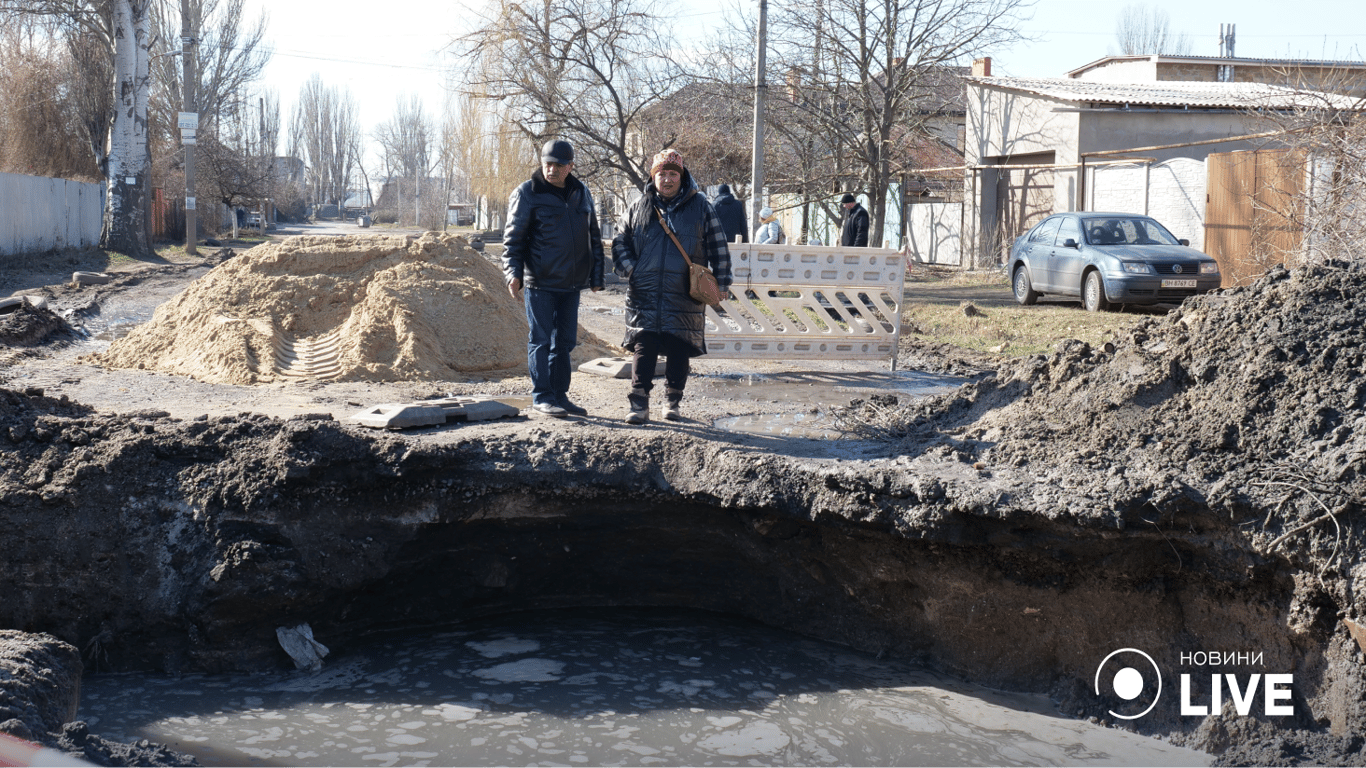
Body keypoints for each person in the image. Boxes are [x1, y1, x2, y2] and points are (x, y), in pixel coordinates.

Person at [612, 149, 733, 424]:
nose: (667, 179)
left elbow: (718, 246)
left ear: (682, 176)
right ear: (653, 177)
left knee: (679, 346)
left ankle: (672, 402)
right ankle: (639, 404)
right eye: (662, 174)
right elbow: (620, 241)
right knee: (645, 345)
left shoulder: (701, 206)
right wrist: (632, 270)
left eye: (672, 174)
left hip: (683, 292)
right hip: (645, 292)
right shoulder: (638, 206)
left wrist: (722, 282)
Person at [502, 139, 606, 418]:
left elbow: (593, 236)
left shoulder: (581, 193)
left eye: (559, 165)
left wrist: (597, 275)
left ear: (570, 166)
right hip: (541, 282)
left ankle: (560, 396)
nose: (552, 170)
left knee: (565, 342)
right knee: (540, 339)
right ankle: (542, 397)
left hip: (571, 284)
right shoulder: (527, 193)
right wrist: (513, 273)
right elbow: (513, 241)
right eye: (548, 164)